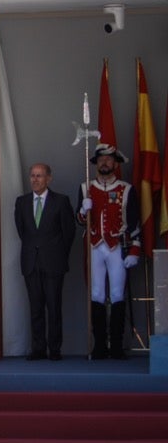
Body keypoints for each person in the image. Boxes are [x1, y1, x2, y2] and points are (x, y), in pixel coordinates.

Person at [80, 144, 140, 359]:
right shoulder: (85, 187)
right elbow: (80, 222)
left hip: (118, 247)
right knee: (96, 294)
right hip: (95, 246)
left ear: (115, 163)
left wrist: (134, 249)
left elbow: (134, 222)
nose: (105, 162)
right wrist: (82, 210)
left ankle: (116, 345)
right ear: (96, 163)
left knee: (116, 294)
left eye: (109, 159)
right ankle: (99, 346)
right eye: (101, 159)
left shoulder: (126, 189)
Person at [14, 162, 77, 361]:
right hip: (31, 261)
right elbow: (22, 231)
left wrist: (57, 253)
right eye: (32, 175)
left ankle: (55, 349)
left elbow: (69, 232)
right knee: (36, 307)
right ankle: (38, 348)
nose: (35, 179)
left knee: (54, 306)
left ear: (48, 178)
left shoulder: (61, 201)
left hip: (54, 262)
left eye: (39, 176)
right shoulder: (22, 202)